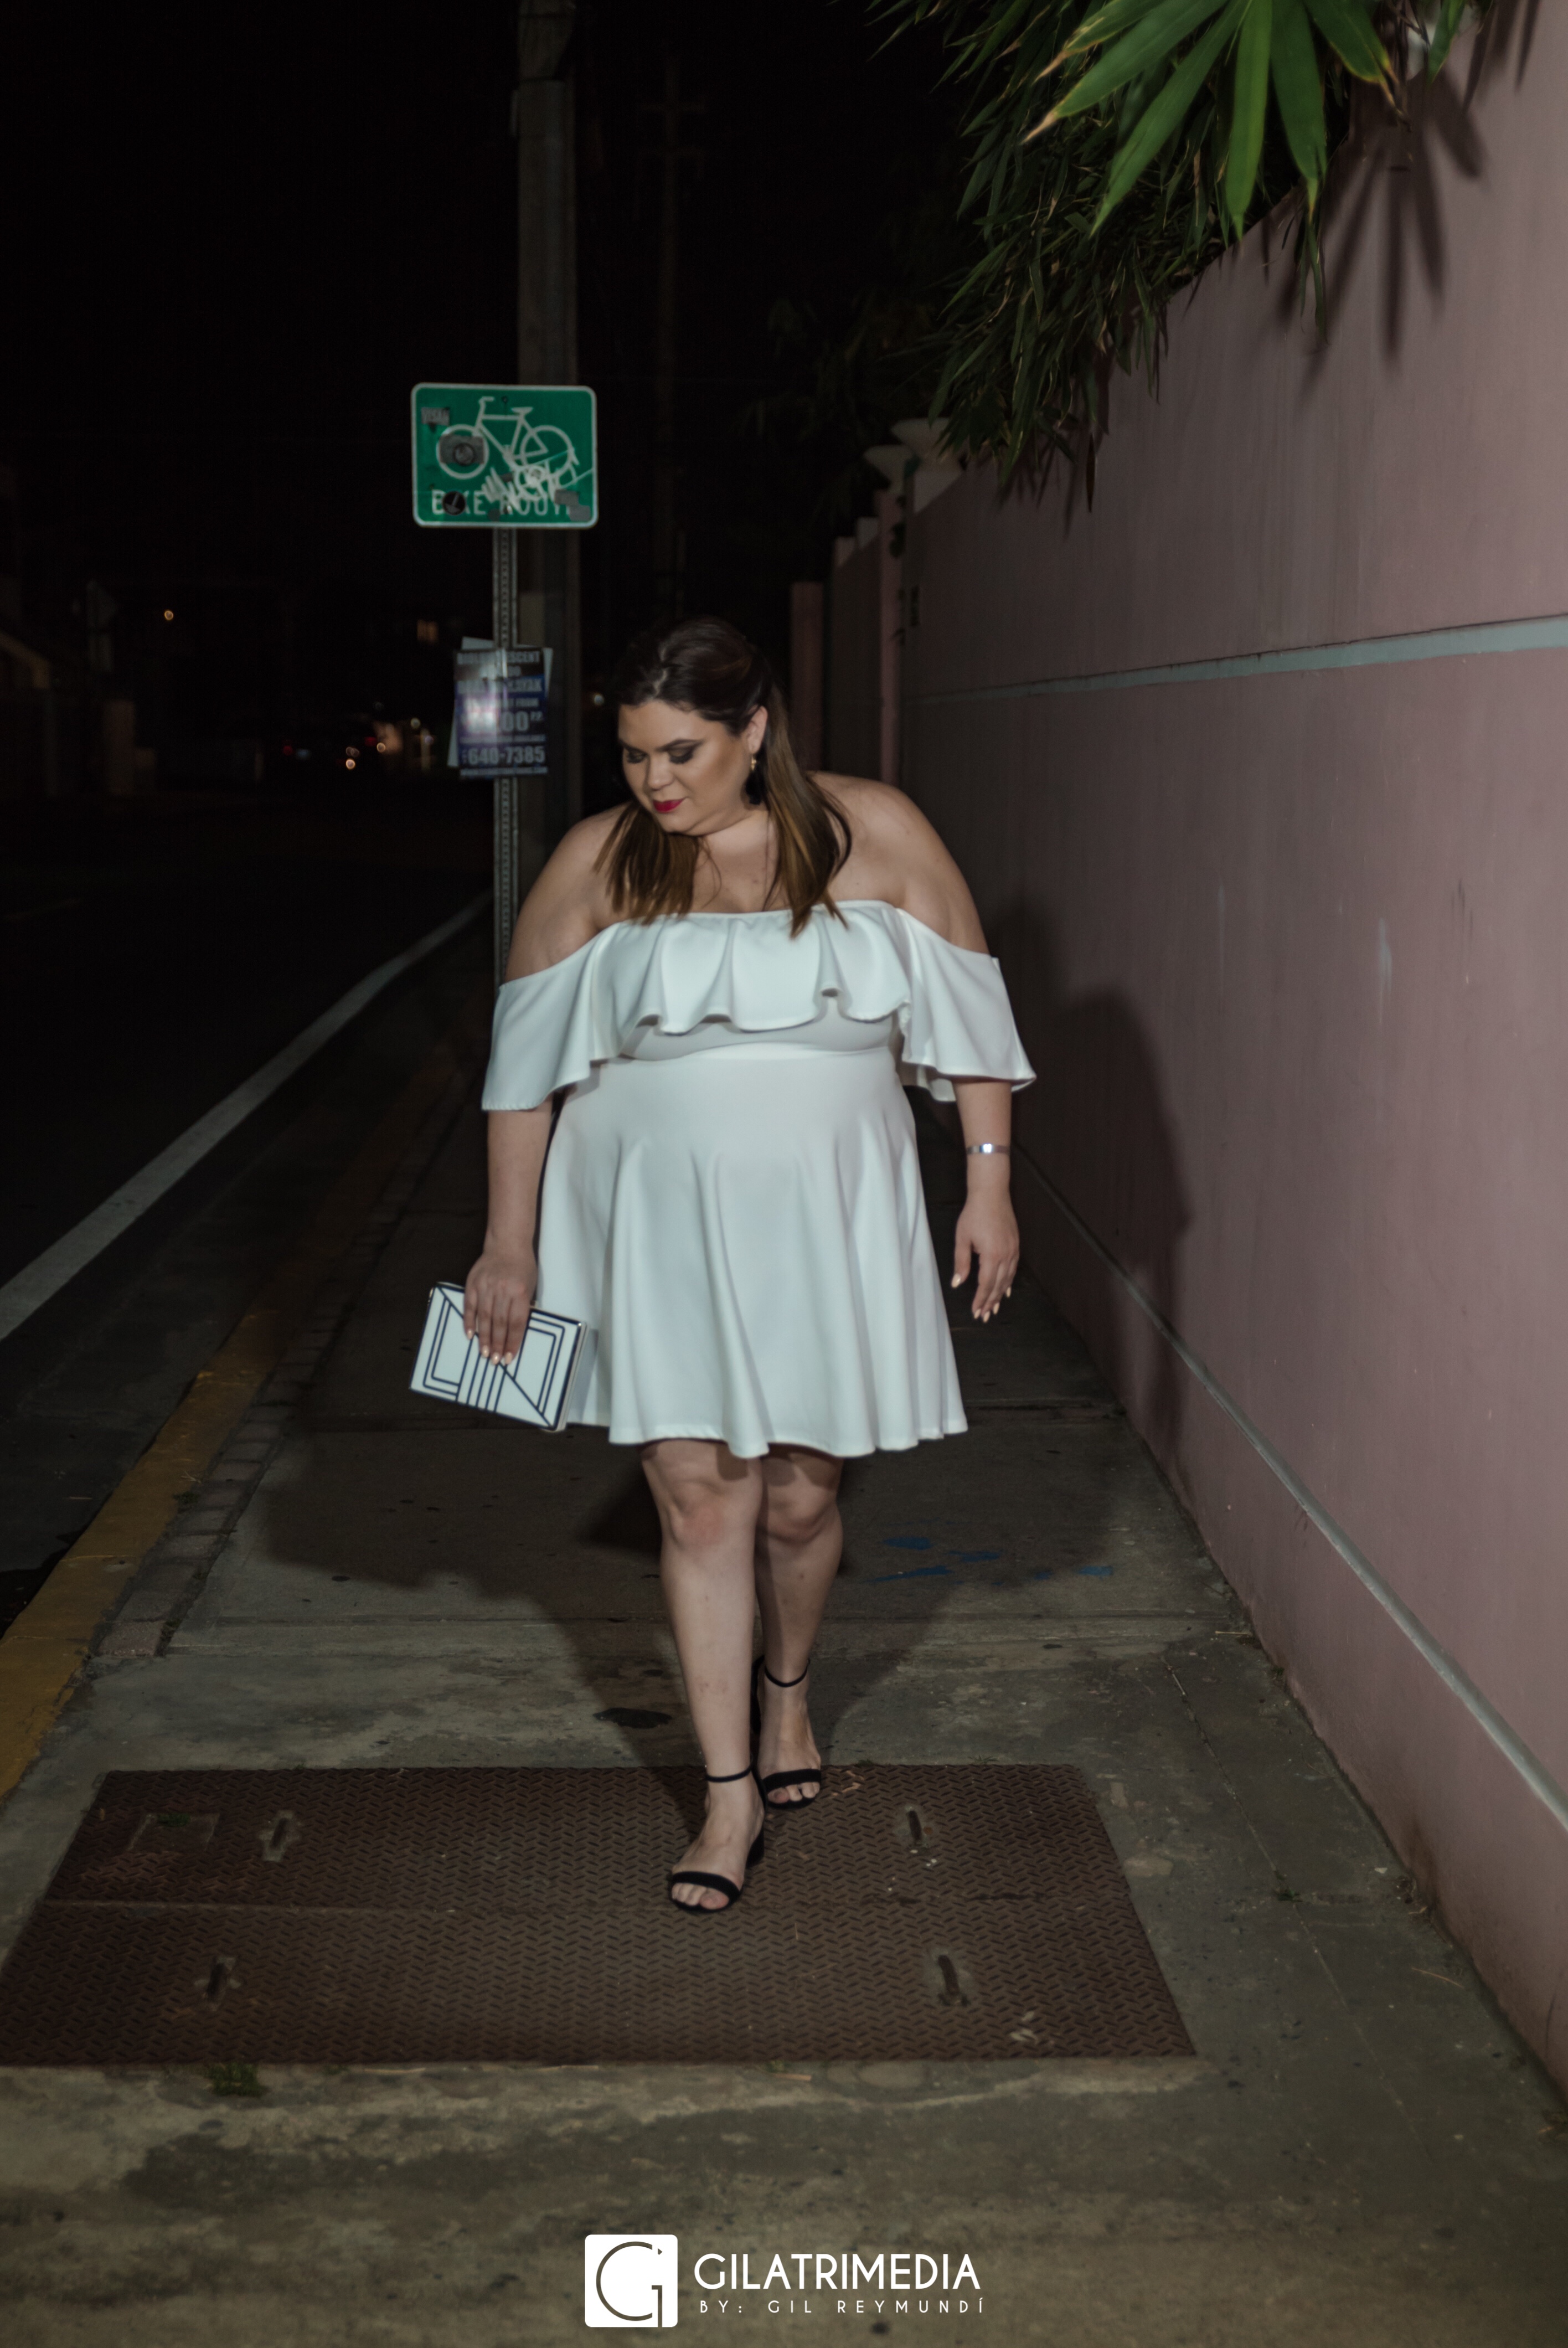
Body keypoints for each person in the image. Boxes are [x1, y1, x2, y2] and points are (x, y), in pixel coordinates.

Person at [465, 616, 1033, 1912]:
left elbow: (973, 1020)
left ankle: (788, 1695)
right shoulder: (598, 860)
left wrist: (990, 1186)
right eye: (632, 755)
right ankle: (727, 1798)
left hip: (830, 1213)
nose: (655, 781)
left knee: (798, 1504)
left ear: (755, 728)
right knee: (702, 1501)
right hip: (652, 1220)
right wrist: (509, 1239)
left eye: (682, 752)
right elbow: (522, 1074)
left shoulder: (873, 831)